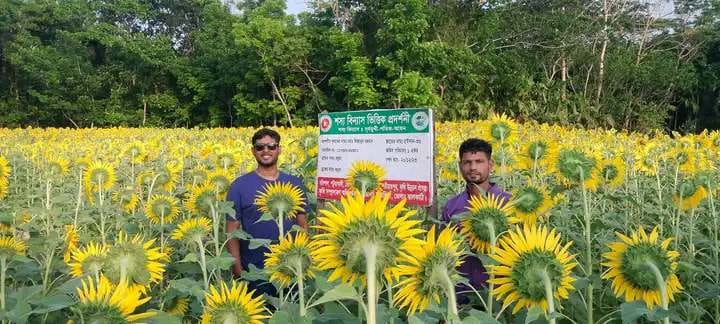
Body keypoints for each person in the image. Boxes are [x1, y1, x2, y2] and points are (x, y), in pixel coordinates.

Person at [225, 128, 309, 296]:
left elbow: (302, 226)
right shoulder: (239, 186)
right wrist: (238, 271)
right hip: (255, 272)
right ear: (253, 151)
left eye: (271, 146)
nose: (266, 151)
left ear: (279, 149)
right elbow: (232, 231)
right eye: (260, 147)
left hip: (289, 269)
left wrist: (304, 262)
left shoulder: (294, 183)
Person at [441, 138, 510, 305]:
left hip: (498, 296)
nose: (473, 167)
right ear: (460, 166)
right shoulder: (451, 206)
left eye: (479, 161)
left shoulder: (508, 203)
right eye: (467, 162)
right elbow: (444, 252)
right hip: (460, 294)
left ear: (490, 164)